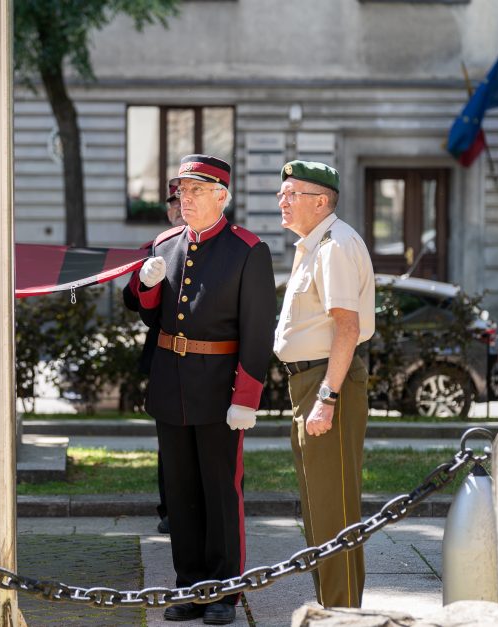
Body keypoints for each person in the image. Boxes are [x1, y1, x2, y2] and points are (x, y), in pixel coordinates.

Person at [136, 154, 276, 624]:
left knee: (220, 492)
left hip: (220, 391)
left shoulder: (247, 250)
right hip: (171, 384)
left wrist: (247, 396)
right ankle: (188, 586)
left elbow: (258, 332)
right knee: (179, 493)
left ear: (222, 195)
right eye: (182, 190)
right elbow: (147, 313)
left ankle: (223, 592)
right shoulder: (164, 243)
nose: (185, 198)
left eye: (196, 191)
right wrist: (146, 286)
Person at [273, 160, 375, 608]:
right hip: (311, 382)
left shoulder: (335, 246)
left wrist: (327, 397)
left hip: (326, 382)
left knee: (332, 513)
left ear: (320, 201)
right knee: (319, 511)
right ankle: (335, 610)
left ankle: (342, 614)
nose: (282, 200)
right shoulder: (314, 245)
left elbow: (347, 329)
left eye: (291, 193)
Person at [122, 181, 185, 535]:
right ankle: (171, 510)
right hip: (165, 352)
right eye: (173, 202)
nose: (178, 207)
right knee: (170, 442)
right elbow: (132, 299)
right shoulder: (157, 247)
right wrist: (144, 280)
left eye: (183, 200)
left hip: (211, 359)